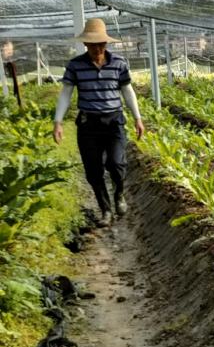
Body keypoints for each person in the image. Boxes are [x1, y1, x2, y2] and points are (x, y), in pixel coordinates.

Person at [53, 18, 145, 226]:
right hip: (88, 124)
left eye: (100, 44)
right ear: (85, 44)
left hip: (114, 121)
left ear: (106, 44)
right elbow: (66, 93)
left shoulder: (119, 63)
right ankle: (105, 210)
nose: (97, 48)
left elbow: (127, 91)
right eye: (93, 44)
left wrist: (138, 118)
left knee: (116, 163)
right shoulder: (75, 65)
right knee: (93, 171)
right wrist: (58, 122)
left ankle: (119, 194)